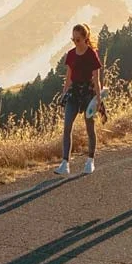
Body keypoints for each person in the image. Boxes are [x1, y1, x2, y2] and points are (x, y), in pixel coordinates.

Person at [54, 23, 104, 175]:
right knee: (67, 127)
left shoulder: (91, 54)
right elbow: (68, 77)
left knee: (90, 127)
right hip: (74, 93)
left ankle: (90, 161)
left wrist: (98, 99)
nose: (75, 42)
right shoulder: (71, 54)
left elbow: (96, 79)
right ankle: (65, 163)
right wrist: (64, 94)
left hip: (88, 93)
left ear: (85, 38)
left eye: (78, 39)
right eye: (73, 39)